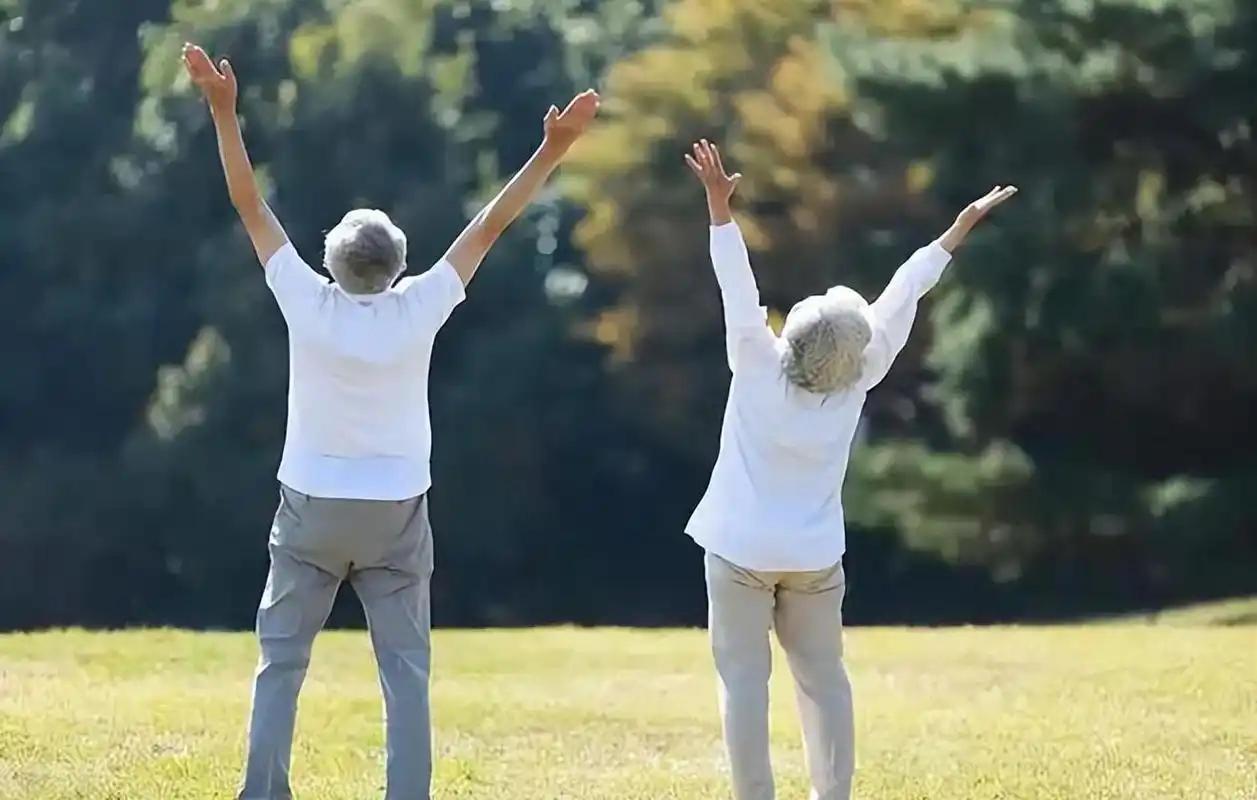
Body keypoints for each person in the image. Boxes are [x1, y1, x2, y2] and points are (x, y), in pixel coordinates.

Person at [181, 43, 599, 800]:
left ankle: (262, 791)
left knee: (281, 662)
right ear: (398, 267)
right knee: (404, 672)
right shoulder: (421, 306)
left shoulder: (304, 301)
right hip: (397, 511)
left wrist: (223, 109)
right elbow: (491, 224)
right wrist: (550, 150)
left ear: (331, 263)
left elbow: (248, 202)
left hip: (309, 504)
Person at [683, 138, 1016, 800]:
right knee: (823, 678)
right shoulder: (859, 379)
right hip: (811, 557)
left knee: (743, 683)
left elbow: (735, 285)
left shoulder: (753, 362)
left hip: (737, 547)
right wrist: (953, 233)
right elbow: (903, 292)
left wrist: (720, 210)